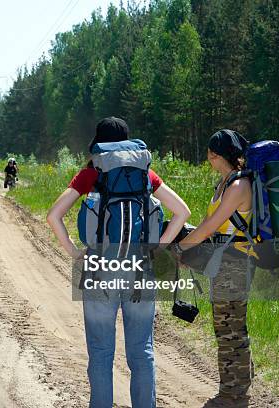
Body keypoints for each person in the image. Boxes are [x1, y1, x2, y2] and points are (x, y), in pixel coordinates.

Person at [46, 117, 191, 408]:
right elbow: (182, 212)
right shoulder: (144, 175)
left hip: (99, 270)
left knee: (100, 353)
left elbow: (54, 215)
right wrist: (158, 247)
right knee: (142, 353)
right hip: (140, 270)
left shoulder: (91, 173)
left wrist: (76, 253)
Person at [174, 129, 254, 405]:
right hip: (224, 263)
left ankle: (234, 396)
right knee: (226, 329)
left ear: (214, 154)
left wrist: (183, 246)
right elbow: (218, 229)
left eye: (210, 155)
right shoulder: (225, 183)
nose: (208, 159)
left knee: (231, 330)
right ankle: (234, 389)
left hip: (235, 265)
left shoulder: (237, 186)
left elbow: (209, 228)